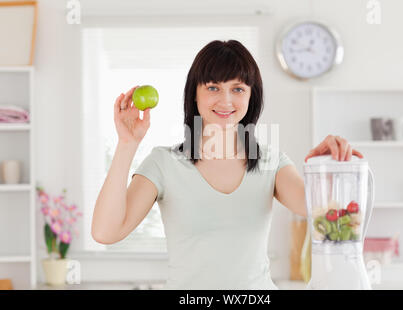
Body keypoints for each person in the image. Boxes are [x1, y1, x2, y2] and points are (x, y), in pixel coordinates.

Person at [91, 40, 363, 290]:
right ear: (194, 95)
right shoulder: (164, 163)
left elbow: (323, 212)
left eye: (237, 89)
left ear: (250, 97)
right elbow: (106, 232)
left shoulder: (271, 163)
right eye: (213, 87)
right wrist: (127, 144)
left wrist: (325, 166)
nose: (225, 100)